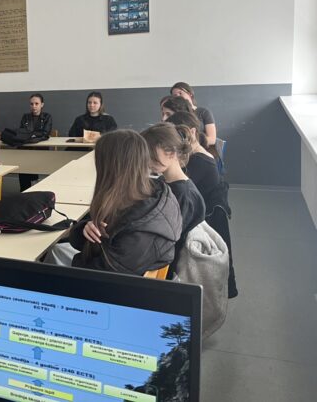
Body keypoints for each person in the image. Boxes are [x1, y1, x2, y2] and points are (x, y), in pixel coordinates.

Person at [68, 130, 182, 275]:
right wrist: (84, 229)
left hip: (105, 284)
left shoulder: (138, 232)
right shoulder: (152, 195)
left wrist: (79, 249)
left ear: (108, 168)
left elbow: (92, 273)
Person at [166, 111, 237, 297]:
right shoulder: (196, 155)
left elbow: (176, 192)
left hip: (198, 224)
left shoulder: (200, 161)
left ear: (191, 132)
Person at [141, 122, 205, 277]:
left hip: (167, 268)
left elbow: (169, 242)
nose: (147, 161)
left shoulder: (183, 195)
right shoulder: (164, 183)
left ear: (170, 152)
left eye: (151, 155)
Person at [17, 93, 53, 191]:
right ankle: (24, 191)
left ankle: (34, 188)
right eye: (31, 104)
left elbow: (45, 133)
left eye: (36, 104)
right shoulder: (26, 117)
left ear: (42, 104)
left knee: (32, 161)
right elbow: (22, 132)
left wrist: (31, 135)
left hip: (40, 150)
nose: (34, 106)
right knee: (23, 163)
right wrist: (33, 135)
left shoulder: (47, 117)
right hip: (26, 149)